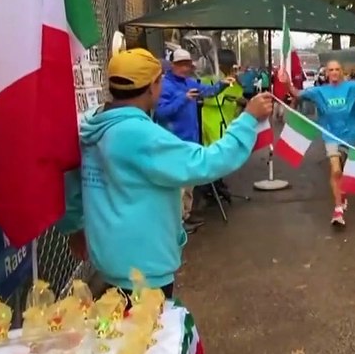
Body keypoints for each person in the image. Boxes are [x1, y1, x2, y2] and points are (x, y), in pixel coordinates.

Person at [56, 49, 275, 298]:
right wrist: (248, 120)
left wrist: (75, 227)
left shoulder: (91, 123)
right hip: (143, 271)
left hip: (109, 260)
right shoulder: (139, 135)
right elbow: (206, 163)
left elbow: (71, 182)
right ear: (153, 86)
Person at [282, 58, 355, 227]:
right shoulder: (319, 91)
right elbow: (296, 93)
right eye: (331, 70)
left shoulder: (353, 87)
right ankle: (338, 208)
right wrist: (287, 81)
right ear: (326, 73)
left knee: (345, 172)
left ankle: (342, 193)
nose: (334, 72)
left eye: (337, 69)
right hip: (330, 135)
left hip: (350, 135)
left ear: (342, 72)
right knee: (335, 170)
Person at [155, 49, 235, 232]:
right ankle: (177, 223)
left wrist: (223, 84)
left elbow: (208, 91)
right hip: (174, 142)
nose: (185, 68)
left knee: (189, 183)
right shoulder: (164, 86)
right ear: (173, 65)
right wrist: (184, 99)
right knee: (179, 186)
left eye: (187, 64)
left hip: (191, 141)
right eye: (181, 64)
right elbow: (161, 113)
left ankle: (185, 217)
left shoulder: (189, 82)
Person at [200, 49, 246, 203]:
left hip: (227, 122)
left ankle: (217, 184)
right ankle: (210, 188)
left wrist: (240, 103)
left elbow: (238, 98)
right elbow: (208, 98)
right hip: (211, 122)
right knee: (215, 155)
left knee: (224, 155)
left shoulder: (233, 80)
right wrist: (230, 99)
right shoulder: (208, 79)